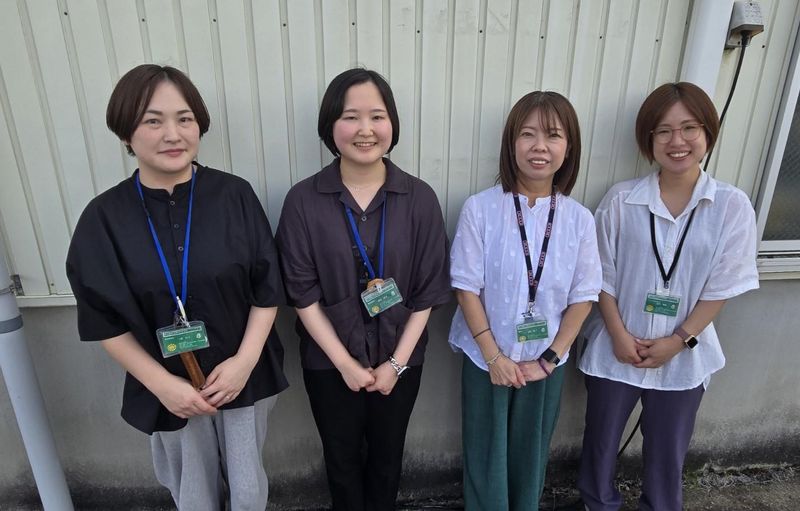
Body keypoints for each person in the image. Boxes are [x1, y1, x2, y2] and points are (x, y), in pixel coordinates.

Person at [66, 64, 288, 511]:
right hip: (165, 384)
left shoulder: (234, 195)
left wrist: (244, 362)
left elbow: (267, 289)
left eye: (184, 119)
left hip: (240, 375)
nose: (173, 134)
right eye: (153, 121)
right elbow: (103, 320)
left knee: (248, 491)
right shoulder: (103, 218)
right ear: (126, 134)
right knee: (193, 493)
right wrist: (162, 385)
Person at [577, 82, 760, 511]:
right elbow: (600, 275)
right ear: (649, 139)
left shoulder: (731, 206)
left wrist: (679, 340)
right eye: (663, 131)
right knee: (600, 444)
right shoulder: (621, 200)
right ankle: (597, 504)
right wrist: (618, 335)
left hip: (685, 354)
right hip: (616, 347)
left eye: (689, 128)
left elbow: (721, 286)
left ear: (707, 132)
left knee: (667, 453)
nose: (677, 141)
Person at [276, 68, 450, 511]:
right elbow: (302, 294)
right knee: (341, 461)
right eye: (351, 117)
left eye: (377, 116)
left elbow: (428, 291)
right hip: (328, 363)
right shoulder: (303, 201)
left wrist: (395, 363)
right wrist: (345, 364)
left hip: (401, 358)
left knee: (388, 461)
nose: (365, 129)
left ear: (392, 124)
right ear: (330, 126)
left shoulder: (420, 199)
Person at [448, 91, 602, 510]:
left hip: (545, 362)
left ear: (569, 147)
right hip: (485, 359)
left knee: (530, 458)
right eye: (528, 134)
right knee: (485, 457)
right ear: (511, 142)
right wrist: (494, 357)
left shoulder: (579, 219)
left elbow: (584, 296)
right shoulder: (481, 209)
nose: (540, 146)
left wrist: (550, 358)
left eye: (553, 135)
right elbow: (465, 288)